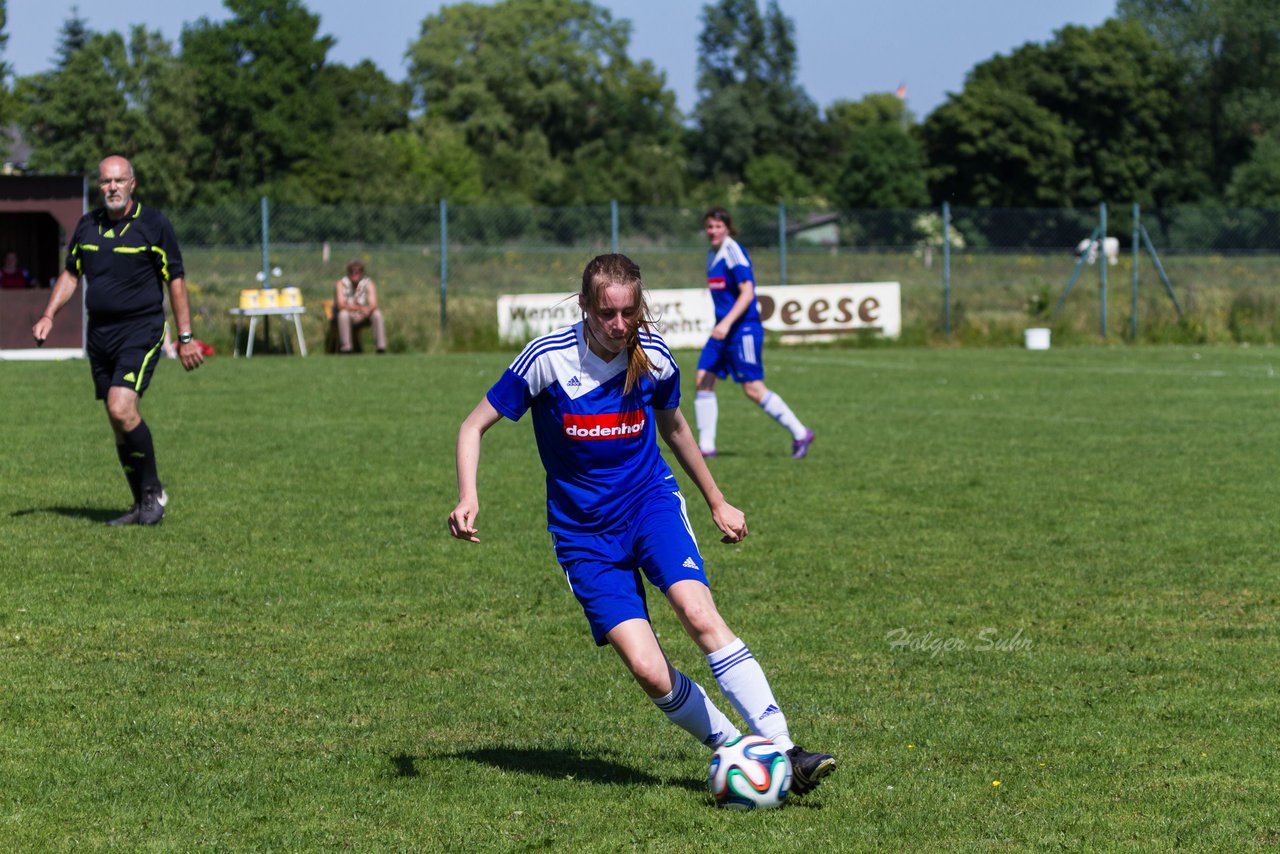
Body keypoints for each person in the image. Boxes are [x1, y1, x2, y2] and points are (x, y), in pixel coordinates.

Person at [448, 253, 836, 795]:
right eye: (607, 313)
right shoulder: (548, 359)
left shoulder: (652, 356)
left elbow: (674, 427)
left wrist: (717, 501)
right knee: (649, 670)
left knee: (698, 613)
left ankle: (786, 751)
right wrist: (469, 495)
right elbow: (473, 426)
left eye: (629, 312)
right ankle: (735, 751)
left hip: (649, 504)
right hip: (584, 535)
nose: (619, 325)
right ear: (585, 306)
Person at [32, 155, 204, 525]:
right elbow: (70, 274)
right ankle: (140, 504)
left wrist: (186, 336)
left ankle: (154, 491)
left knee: (121, 407)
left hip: (140, 330)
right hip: (100, 335)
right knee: (118, 422)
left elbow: (175, 279)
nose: (112, 187)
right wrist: (48, 314)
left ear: (132, 184)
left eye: (119, 181)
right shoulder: (86, 226)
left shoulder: (154, 225)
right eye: (106, 182)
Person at [694, 207, 815, 459]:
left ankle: (800, 432)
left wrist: (726, 323)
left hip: (742, 329)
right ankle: (706, 448)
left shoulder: (732, 251)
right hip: (723, 330)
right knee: (703, 380)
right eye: (709, 226)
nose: (712, 231)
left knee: (753, 388)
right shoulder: (711, 254)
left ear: (727, 227)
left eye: (717, 226)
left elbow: (747, 292)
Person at [334, 259, 386, 353]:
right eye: (352, 271)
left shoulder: (368, 284)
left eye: (357, 271)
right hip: (348, 315)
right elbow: (340, 305)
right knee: (343, 314)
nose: (354, 273)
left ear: (362, 272)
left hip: (363, 316)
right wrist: (360, 308)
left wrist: (367, 310)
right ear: (348, 272)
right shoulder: (341, 283)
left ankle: (381, 348)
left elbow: (374, 304)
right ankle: (346, 349)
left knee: (377, 314)